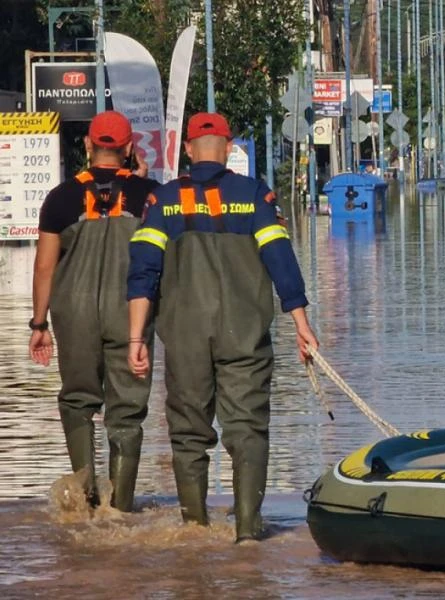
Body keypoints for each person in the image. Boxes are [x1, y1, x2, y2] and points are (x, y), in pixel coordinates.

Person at [125, 112, 319, 542]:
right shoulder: (255, 196)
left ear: (189, 149)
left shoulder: (161, 202)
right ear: (229, 148)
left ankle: (195, 532)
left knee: (189, 434)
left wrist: (136, 337)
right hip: (245, 332)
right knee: (247, 428)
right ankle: (249, 533)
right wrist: (301, 324)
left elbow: (143, 273)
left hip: (184, 335)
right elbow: (281, 262)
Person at [28, 110, 158, 511]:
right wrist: (143, 178)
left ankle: (84, 503)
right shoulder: (148, 195)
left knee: (78, 402)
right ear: (128, 148)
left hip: (75, 312)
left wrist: (38, 323)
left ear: (88, 145)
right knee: (127, 410)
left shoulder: (61, 198)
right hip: (130, 312)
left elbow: (45, 266)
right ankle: (119, 510)